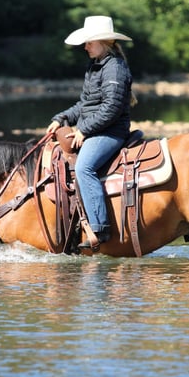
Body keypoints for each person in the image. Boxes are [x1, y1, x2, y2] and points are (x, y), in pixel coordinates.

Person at [46, 15, 134, 249]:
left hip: (111, 132)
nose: (85, 47)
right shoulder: (96, 66)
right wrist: (61, 118)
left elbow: (112, 108)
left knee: (84, 168)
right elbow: (85, 105)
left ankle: (99, 228)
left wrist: (83, 129)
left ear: (105, 42)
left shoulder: (115, 68)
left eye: (89, 42)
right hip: (98, 129)